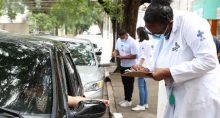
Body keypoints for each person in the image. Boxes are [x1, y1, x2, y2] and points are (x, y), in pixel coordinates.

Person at [132, 0, 220, 117]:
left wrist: (169, 72)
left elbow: (209, 61)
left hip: (199, 95)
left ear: (170, 23)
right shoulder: (164, 29)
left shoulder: (192, 23)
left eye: (158, 33)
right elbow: (161, 56)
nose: (157, 36)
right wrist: (146, 69)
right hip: (178, 94)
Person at [112, 29, 138, 107]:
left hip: (130, 66)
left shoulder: (132, 42)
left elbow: (134, 55)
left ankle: (129, 100)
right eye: (120, 37)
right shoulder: (119, 40)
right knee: (124, 83)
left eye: (123, 37)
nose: (121, 39)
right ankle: (126, 99)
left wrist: (123, 57)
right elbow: (116, 49)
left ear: (126, 34)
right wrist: (114, 53)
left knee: (129, 83)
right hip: (123, 65)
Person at [132, 27, 151, 111]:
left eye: (137, 33)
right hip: (146, 67)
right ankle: (145, 103)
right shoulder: (147, 42)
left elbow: (143, 57)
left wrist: (138, 67)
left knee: (141, 86)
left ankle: (141, 105)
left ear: (140, 34)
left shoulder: (143, 43)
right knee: (144, 86)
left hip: (142, 67)